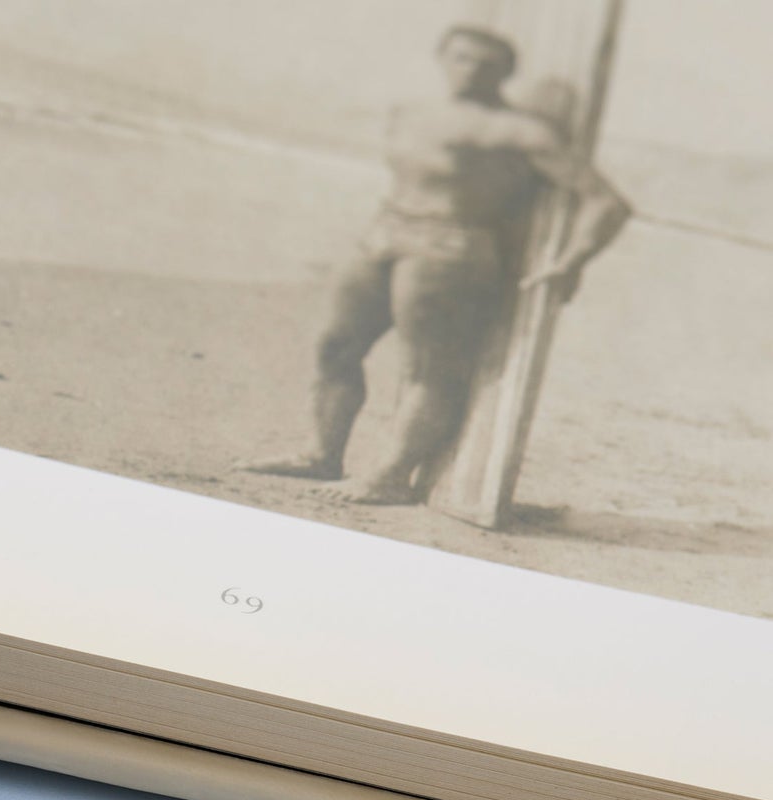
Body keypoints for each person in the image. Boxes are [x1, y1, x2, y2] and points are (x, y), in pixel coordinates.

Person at [243, 24, 631, 503]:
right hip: (382, 233)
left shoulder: (517, 130)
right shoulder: (411, 113)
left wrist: (571, 262)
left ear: (506, 73)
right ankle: (319, 454)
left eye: (485, 64)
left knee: (429, 368)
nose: (470, 70)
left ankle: (388, 477)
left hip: (451, 247)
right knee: (334, 346)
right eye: (461, 57)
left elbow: (606, 202)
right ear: (442, 58)